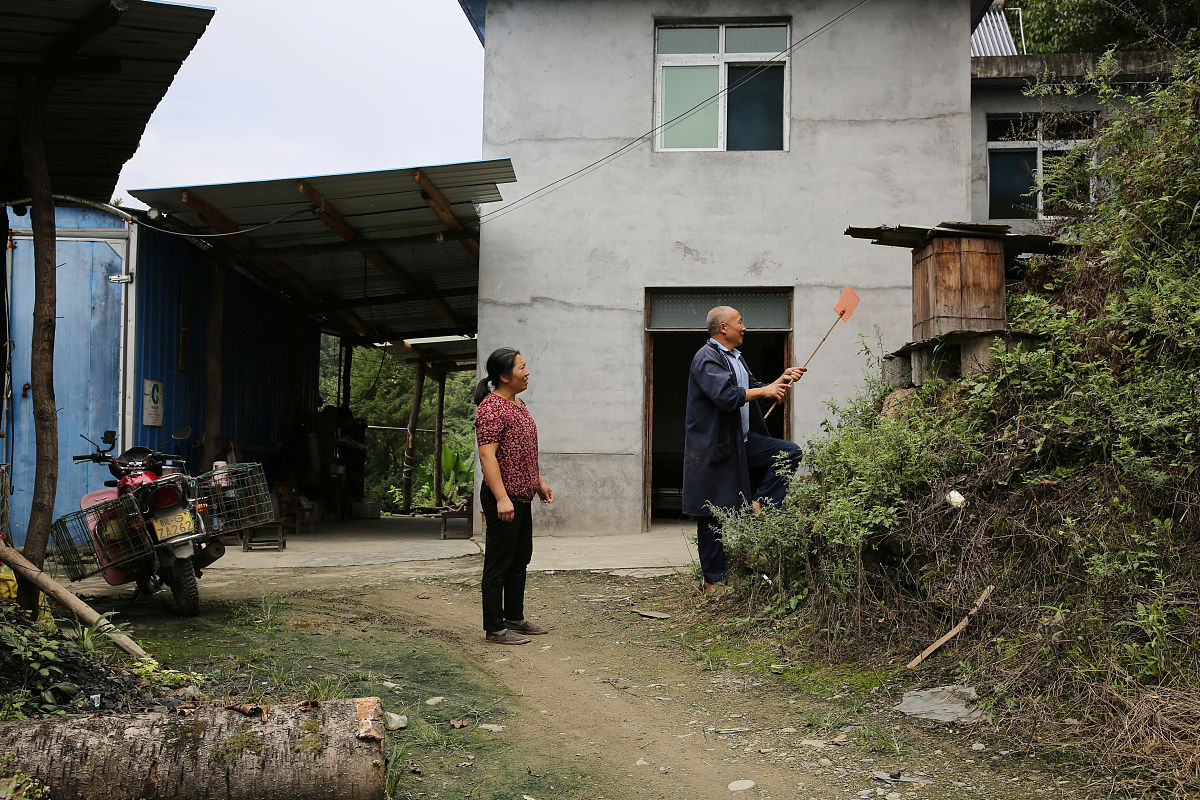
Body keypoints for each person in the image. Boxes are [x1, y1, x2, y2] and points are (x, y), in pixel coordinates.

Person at [682, 306, 805, 593]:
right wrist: (764, 391)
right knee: (710, 514)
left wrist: (781, 380)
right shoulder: (707, 358)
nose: (745, 326)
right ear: (723, 327)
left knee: (789, 452)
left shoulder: (736, 358)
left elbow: (754, 390)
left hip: (744, 441)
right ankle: (713, 583)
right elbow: (726, 396)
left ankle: (758, 504)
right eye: (740, 322)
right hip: (716, 447)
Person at [474, 347, 555, 644]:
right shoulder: (491, 407)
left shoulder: (518, 405)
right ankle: (495, 628)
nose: (527, 372)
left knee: (519, 558)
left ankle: (514, 617)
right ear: (504, 376)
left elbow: (524, 451)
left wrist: (538, 482)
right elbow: (488, 456)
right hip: (504, 499)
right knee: (498, 562)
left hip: (522, 495)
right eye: (522, 367)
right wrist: (501, 498)